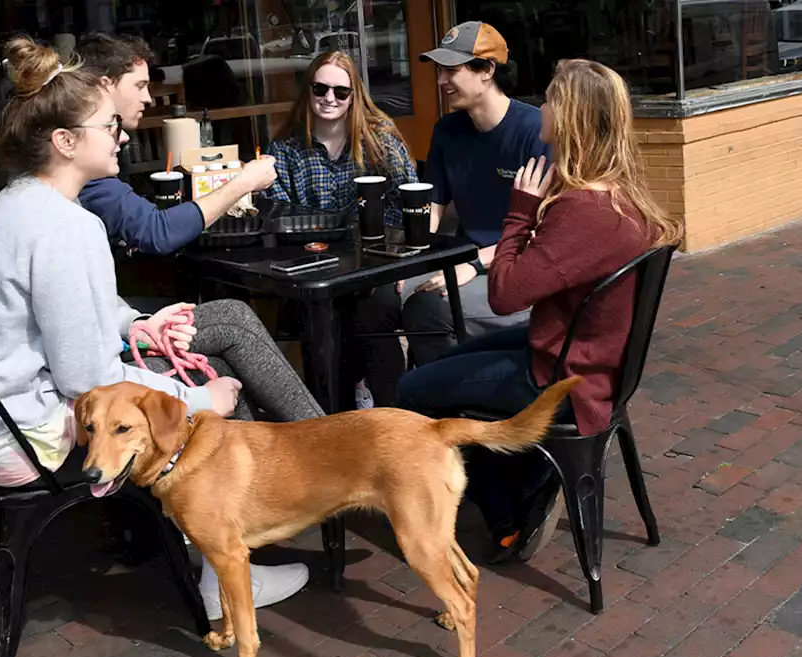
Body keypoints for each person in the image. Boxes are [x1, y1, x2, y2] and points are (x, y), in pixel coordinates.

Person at [0, 37, 316, 623]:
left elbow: (78, 309)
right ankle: (226, 569)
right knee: (210, 396)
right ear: (65, 142)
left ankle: (251, 524)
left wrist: (136, 323)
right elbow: (89, 378)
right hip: (25, 438)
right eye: (107, 126)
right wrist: (199, 400)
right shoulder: (68, 228)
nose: (121, 135)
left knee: (207, 351)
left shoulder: (21, 203)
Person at [397, 59, 682, 562]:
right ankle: (526, 469)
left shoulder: (583, 210)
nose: (541, 106)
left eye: (550, 99)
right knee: (446, 364)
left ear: (569, 117)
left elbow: (504, 294)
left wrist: (521, 212)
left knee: (412, 390)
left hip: (565, 378)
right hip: (576, 353)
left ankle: (510, 509)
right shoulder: (614, 194)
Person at [263, 50, 418, 407]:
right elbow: (280, 218)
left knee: (370, 309)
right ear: (309, 90)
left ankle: (395, 414)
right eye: (321, 89)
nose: (329, 98)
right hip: (315, 267)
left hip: (372, 263)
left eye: (341, 92)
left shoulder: (380, 141)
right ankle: (336, 413)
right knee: (319, 313)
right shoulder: (285, 151)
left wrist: (389, 259)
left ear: (354, 97)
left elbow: (405, 202)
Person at [401, 21, 550, 366]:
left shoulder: (535, 132)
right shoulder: (447, 130)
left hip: (515, 268)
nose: (440, 82)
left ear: (486, 71)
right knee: (378, 300)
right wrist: (408, 265)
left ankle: (444, 406)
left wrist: (473, 263)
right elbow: (434, 210)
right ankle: (392, 405)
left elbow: (544, 231)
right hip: (463, 263)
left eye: (450, 71)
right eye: (439, 72)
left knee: (428, 309)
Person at [75, 32, 278, 255]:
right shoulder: (85, 155)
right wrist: (244, 182)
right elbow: (156, 232)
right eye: (139, 85)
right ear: (106, 86)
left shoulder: (90, 148)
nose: (148, 98)